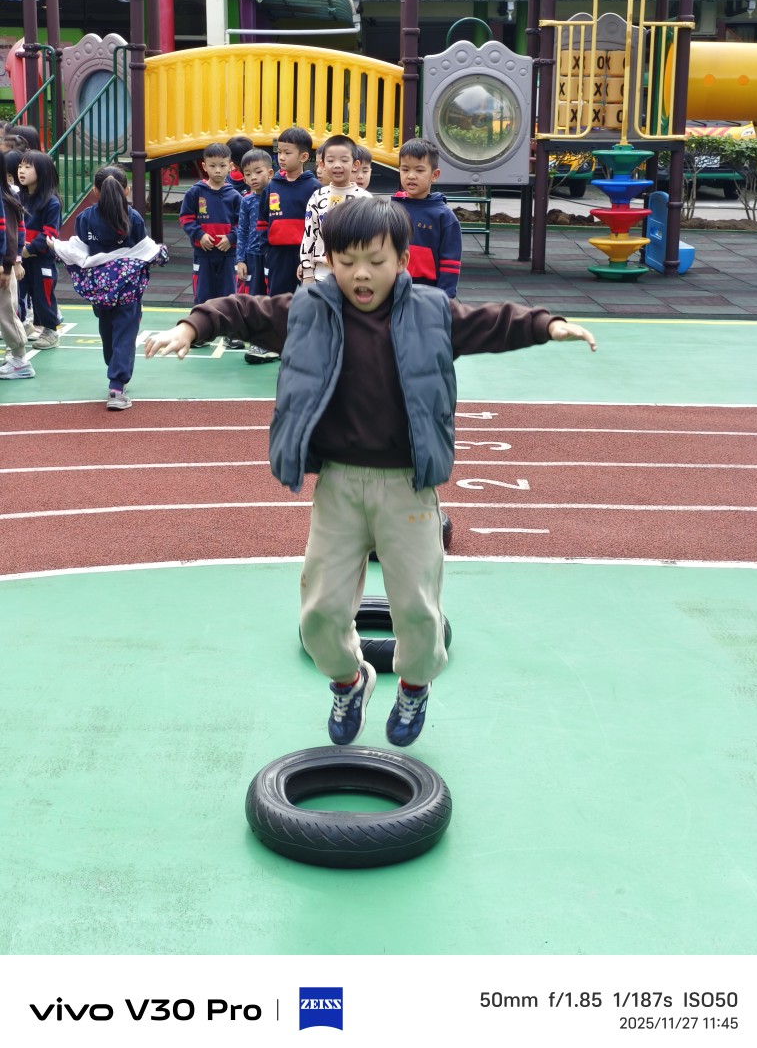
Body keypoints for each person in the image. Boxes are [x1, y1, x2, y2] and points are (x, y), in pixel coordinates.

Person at [145, 199, 596, 748]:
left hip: (407, 488)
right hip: (339, 485)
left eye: (377, 261)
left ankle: (413, 686)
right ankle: (349, 680)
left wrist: (549, 325)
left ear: (402, 260)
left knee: (419, 613)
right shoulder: (307, 311)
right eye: (347, 261)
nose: (362, 274)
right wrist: (191, 327)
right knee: (319, 614)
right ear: (328, 261)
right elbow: (240, 310)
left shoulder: (431, 313)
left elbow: (494, 321)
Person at [49, 165, 166, 410]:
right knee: (125, 335)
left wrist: (57, 247)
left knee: (108, 332)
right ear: (127, 190)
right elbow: (143, 250)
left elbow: (79, 251)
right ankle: (117, 386)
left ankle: (115, 376)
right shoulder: (133, 217)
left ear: (95, 190)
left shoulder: (85, 218)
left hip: (100, 290)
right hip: (127, 289)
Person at [179, 142, 242, 346]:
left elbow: (242, 223)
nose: (217, 170)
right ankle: (200, 333)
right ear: (204, 166)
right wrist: (199, 234)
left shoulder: (235, 195)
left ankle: (231, 333)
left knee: (229, 294)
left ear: (230, 166)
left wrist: (231, 238)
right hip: (203, 255)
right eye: (213, 165)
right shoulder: (195, 193)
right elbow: (186, 218)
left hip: (228, 255)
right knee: (203, 294)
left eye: (222, 165)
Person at [392, 137, 462, 298]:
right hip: (392, 287)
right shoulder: (392, 208)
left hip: (429, 291)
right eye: (405, 169)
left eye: (419, 170)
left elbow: (450, 262)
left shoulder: (444, 216)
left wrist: (445, 296)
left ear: (434, 175)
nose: (411, 176)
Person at [256, 126, 319, 295]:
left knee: (306, 298)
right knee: (277, 298)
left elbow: (319, 224)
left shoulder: (314, 187)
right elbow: (262, 220)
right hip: (277, 254)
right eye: (279, 152)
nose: (281, 157)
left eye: (287, 153)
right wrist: (266, 249)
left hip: (305, 254)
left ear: (303, 157)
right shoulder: (272, 186)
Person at [299, 133, 370, 285]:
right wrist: (307, 270)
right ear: (323, 165)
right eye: (331, 160)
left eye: (344, 160)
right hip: (321, 274)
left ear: (355, 165)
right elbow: (309, 235)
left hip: (354, 274)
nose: (337, 165)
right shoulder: (317, 197)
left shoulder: (365, 199)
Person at [235, 148, 279, 365]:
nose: (253, 177)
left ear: (270, 173)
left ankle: (273, 340)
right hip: (252, 257)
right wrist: (240, 260)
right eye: (248, 174)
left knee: (274, 298)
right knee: (254, 298)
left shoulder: (277, 197)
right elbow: (242, 231)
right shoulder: (246, 201)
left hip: (272, 255)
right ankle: (258, 340)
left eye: (258, 172)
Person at [17, 149, 62, 348]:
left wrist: (29, 249)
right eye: (20, 166)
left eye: (28, 167)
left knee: (42, 295)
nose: (21, 170)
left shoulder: (51, 202)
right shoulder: (17, 197)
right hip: (20, 258)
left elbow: (49, 233)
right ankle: (22, 326)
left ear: (42, 172)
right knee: (17, 294)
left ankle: (50, 331)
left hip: (42, 259)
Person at [0, 149, 34, 380]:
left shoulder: (5, 197)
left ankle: (20, 360)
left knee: (6, 313)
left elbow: (9, 235)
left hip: (3, 267)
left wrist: (7, 266)